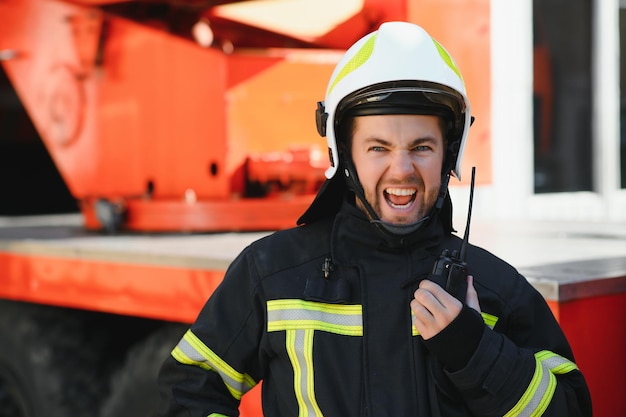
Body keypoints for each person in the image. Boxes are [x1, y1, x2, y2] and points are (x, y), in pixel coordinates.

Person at [156, 21, 592, 416]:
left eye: (421, 147)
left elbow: (570, 409)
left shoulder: (494, 288)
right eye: (378, 147)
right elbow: (189, 392)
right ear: (344, 154)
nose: (402, 170)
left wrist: (475, 351)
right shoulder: (270, 275)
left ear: (449, 154)